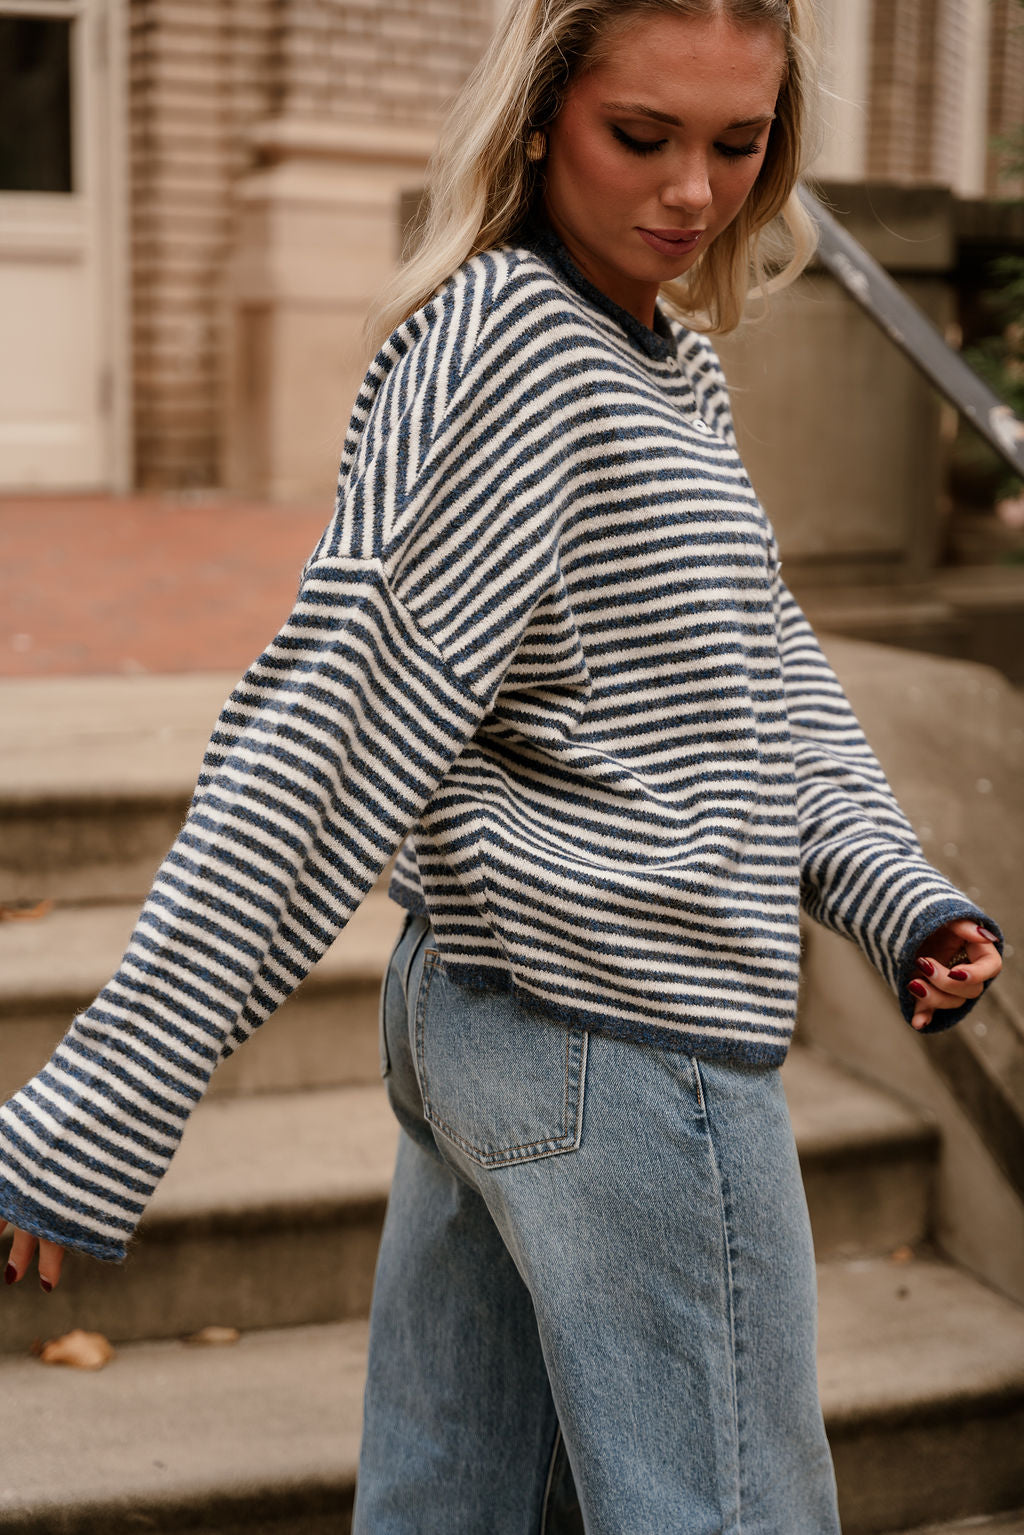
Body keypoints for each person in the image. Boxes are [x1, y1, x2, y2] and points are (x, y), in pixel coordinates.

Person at [0, 0, 1005, 1529]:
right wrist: (108, 1095)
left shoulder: (659, 360)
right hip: (629, 1044)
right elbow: (329, 721)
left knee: (447, 1509)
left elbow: (762, 674)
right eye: (640, 136)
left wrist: (890, 888)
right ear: (537, 113)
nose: (692, 192)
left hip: (508, 1023)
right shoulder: (518, 354)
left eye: (738, 144)